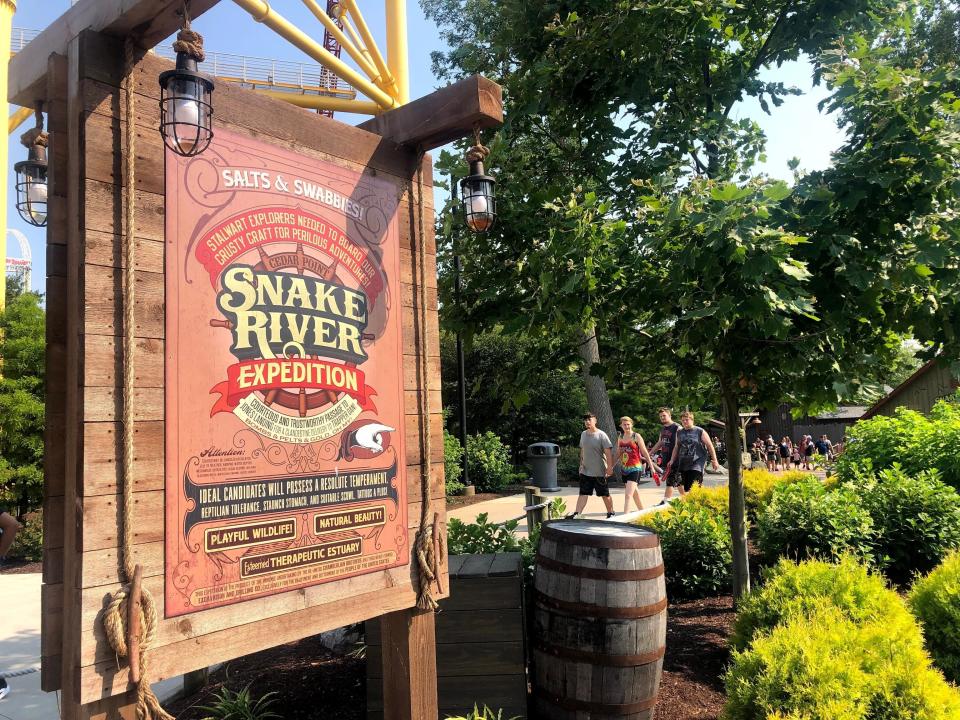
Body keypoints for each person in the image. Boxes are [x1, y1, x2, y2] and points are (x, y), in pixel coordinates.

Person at [566, 412, 615, 519]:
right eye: (585, 420)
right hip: (586, 470)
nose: (587, 422)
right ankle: (577, 514)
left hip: (599, 471)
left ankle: (611, 513)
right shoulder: (583, 434)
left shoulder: (602, 435)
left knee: (604, 494)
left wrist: (609, 467)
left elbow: (608, 453)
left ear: (595, 421)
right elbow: (583, 450)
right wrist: (581, 465)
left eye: (589, 419)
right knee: (583, 493)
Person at [666, 411, 720, 493]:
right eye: (683, 420)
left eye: (686, 420)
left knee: (694, 488)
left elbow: (710, 445)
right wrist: (672, 460)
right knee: (686, 489)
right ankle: (694, 503)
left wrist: (715, 460)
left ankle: (698, 503)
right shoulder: (679, 432)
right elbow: (676, 447)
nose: (684, 422)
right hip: (683, 463)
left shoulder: (699, 431)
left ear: (692, 420)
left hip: (697, 463)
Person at [617, 416, 662, 514]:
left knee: (628, 495)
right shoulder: (620, 437)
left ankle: (625, 517)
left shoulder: (636, 436)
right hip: (624, 469)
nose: (626, 426)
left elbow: (645, 453)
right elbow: (618, 453)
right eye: (624, 425)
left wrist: (652, 468)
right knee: (634, 493)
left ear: (631, 424)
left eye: (628, 424)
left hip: (635, 468)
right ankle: (643, 512)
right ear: (621, 426)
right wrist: (610, 466)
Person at [650, 408, 682, 502]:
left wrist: (673, 459)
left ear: (669, 415)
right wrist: (650, 453)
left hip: (676, 459)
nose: (662, 418)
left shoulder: (677, 427)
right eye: (660, 416)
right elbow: (660, 442)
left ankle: (665, 501)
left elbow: (678, 445)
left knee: (670, 481)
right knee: (679, 482)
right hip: (665, 458)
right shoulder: (663, 428)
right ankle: (688, 500)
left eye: (664, 415)